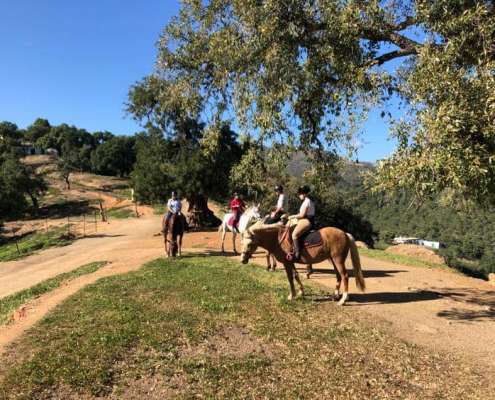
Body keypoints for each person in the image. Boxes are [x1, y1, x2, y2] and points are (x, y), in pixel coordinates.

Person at [288, 185, 315, 261]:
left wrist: (292, 216)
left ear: (304, 194)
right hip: (307, 220)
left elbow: (302, 215)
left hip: (306, 221)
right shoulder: (309, 201)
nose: (299, 196)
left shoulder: (306, 202)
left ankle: (297, 254)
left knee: (294, 235)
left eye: (300, 194)